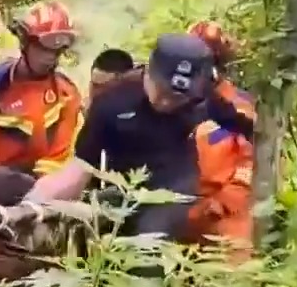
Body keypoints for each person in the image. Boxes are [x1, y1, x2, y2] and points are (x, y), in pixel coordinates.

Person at [24, 33, 249, 244]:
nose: (166, 103)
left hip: (179, 194)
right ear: (148, 72)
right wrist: (29, 206)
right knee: (71, 224)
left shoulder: (208, 102)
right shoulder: (113, 102)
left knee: (148, 241)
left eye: (177, 97)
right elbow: (79, 170)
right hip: (124, 192)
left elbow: (254, 137)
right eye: (162, 92)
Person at [0, 0, 85, 178]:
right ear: (25, 42)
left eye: (57, 52)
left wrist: (38, 190)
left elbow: (58, 158)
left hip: (43, 187)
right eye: (43, 49)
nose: (50, 58)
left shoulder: (66, 94)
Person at [184, 21, 257, 259]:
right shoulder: (173, 103)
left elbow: (253, 158)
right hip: (181, 211)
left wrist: (229, 196)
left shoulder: (240, 106)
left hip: (226, 214)